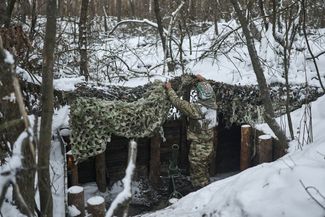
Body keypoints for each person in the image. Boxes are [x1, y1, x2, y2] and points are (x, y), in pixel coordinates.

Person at [164, 74, 217, 188]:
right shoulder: (213, 104)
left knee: (198, 173)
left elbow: (178, 102)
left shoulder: (196, 109)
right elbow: (209, 93)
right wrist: (203, 80)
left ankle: (199, 192)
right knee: (204, 169)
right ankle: (207, 188)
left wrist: (169, 89)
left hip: (199, 148)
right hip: (209, 145)